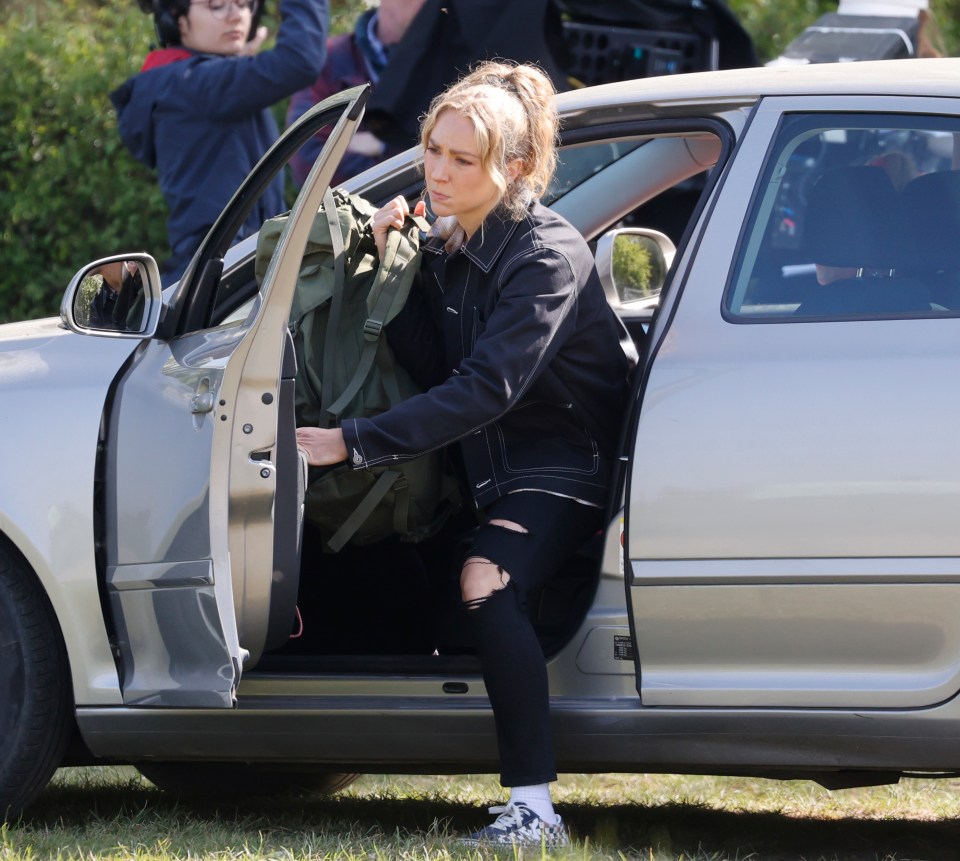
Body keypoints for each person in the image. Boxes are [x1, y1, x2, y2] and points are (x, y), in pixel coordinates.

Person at [296, 60, 630, 847]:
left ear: (512, 167)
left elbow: (485, 388)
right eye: (432, 153)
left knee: (486, 579)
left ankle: (534, 807)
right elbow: (429, 359)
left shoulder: (544, 255)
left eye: (461, 160)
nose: (438, 174)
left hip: (563, 465)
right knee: (389, 569)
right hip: (485, 469)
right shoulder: (457, 243)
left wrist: (353, 442)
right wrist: (393, 265)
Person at [111, 0, 329, 286]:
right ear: (175, 19)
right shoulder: (191, 84)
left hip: (230, 270)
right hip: (227, 277)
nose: (235, 15)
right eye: (216, 6)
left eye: (243, 3)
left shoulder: (188, 80)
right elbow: (299, 61)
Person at [285, 0, 427, 189]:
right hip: (350, 216)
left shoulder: (455, 62)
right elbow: (306, 156)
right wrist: (408, 155)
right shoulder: (329, 60)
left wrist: (383, 143)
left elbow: (461, 157)